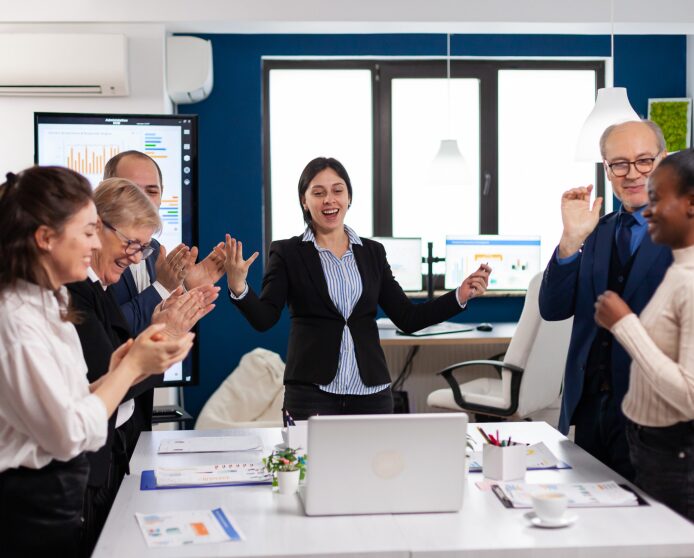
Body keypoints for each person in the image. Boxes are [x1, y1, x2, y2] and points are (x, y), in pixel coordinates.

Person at [0, 167, 193, 557]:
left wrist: (128, 363)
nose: (93, 245)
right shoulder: (16, 319)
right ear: (45, 238)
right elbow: (69, 433)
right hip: (28, 510)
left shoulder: (50, 303)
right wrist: (129, 368)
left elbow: (76, 404)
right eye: (88, 232)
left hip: (56, 498)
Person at [224, 156, 491, 419]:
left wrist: (460, 294)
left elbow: (408, 318)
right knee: (313, 464)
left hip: (371, 392)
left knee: (374, 464)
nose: (329, 199)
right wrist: (239, 287)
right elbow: (265, 318)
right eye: (318, 193)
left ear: (349, 197)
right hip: (311, 393)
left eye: (337, 190)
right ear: (305, 202)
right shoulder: (287, 252)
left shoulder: (372, 252)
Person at [66, 177, 214, 553]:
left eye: (143, 248)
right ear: (96, 227)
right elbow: (110, 379)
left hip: (106, 454)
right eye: (131, 244)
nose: (136, 256)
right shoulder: (76, 294)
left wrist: (161, 330)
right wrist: (163, 335)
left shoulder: (97, 290)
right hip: (79, 472)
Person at [539, 120, 672, 480]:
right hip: (589, 410)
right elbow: (552, 309)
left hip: (656, 414)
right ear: (607, 170)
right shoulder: (595, 230)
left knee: (651, 524)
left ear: (664, 161)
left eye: (644, 160)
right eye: (619, 164)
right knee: (590, 519)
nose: (633, 174)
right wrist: (569, 241)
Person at [595, 149, 694, 520]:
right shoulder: (680, 268)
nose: (647, 210)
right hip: (650, 447)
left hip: (675, 456)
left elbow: (689, 397)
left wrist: (624, 324)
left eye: (656, 199)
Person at [104, 150, 226, 334]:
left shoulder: (152, 249)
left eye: (152, 191)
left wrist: (184, 287)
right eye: (132, 190)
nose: (143, 200)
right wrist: (163, 287)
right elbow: (106, 330)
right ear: (107, 192)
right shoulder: (90, 251)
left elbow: (150, 326)